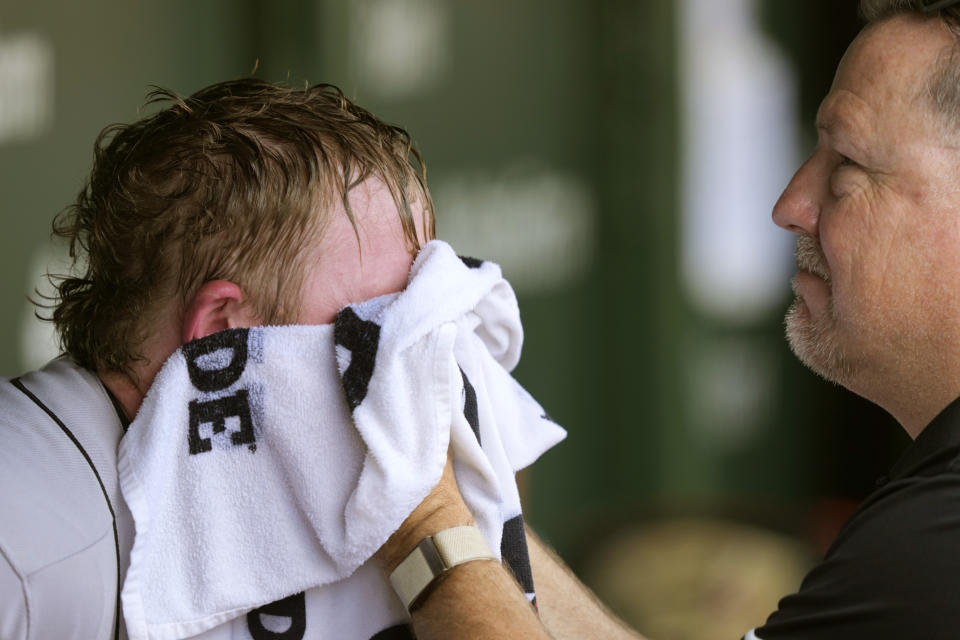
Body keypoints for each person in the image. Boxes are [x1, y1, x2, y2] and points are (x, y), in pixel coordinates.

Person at [380, 0, 960, 638]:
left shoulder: (932, 543)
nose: (792, 204)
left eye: (846, 165)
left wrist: (422, 521)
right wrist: (474, 514)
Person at [0, 79, 566, 639]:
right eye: (378, 326)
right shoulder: (28, 551)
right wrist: (425, 521)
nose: (417, 359)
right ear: (220, 338)